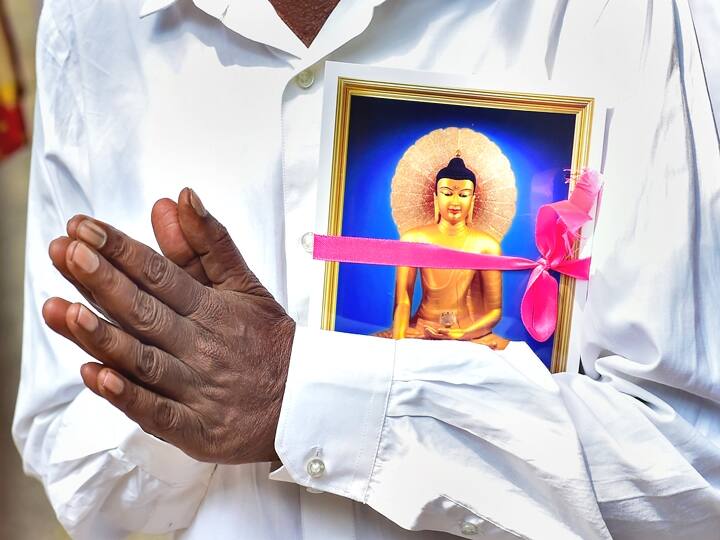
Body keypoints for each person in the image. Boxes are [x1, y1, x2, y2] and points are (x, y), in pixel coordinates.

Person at [11, 1, 720, 539]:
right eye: (442, 189)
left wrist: (305, 397)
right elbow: (75, 467)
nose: (451, 199)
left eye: (461, 191)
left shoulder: (630, 17)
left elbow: (695, 467)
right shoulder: (94, 20)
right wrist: (180, 390)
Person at [392, 155, 508, 350]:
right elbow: (403, 300)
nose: (455, 202)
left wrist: (461, 333)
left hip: (467, 333)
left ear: (473, 199)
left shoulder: (486, 245)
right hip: (421, 329)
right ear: (436, 196)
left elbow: (494, 311)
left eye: (463, 195)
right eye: (447, 193)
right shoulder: (414, 239)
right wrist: (400, 342)